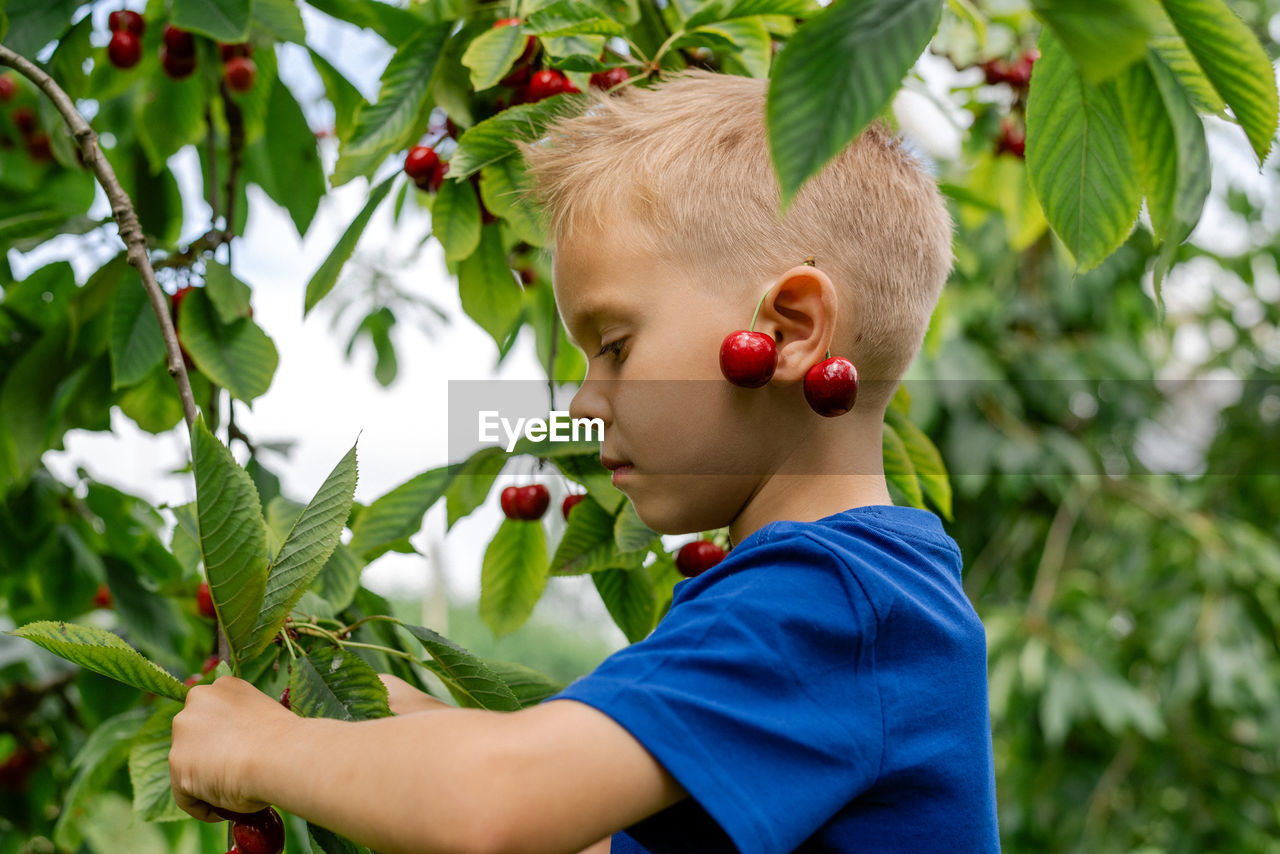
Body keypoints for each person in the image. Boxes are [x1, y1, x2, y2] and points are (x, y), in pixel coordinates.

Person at [169, 70, 999, 853]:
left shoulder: (827, 604)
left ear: (784, 331)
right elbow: (596, 838)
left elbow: (498, 805)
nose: (582, 403)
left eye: (613, 345)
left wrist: (259, 750)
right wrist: (358, 708)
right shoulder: (858, 594)